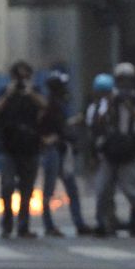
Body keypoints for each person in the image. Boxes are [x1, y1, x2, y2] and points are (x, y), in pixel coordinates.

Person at [89, 63, 135, 237]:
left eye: (127, 80)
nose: (124, 84)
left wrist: (130, 108)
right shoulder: (109, 99)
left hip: (129, 149)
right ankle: (101, 222)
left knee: (129, 189)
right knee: (103, 188)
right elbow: (100, 122)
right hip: (111, 148)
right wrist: (112, 103)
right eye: (121, 80)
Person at [0, 61, 45, 239]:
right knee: (7, 186)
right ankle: (7, 222)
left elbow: (45, 107)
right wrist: (9, 94)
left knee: (27, 190)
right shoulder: (5, 93)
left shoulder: (34, 92)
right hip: (8, 147)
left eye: (25, 76)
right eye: (18, 77)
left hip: (30, 147)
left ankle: (23, 225)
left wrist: (30, 93)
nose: (21, 81)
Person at [37, 70, 90, 236]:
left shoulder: (59, 104)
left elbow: (61, 127)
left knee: (70, 189)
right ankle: (49, 225)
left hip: (61, 150)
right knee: (50, 190)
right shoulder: (49, 105)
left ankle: (78, 223)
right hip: (53, 151)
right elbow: (47, 127)